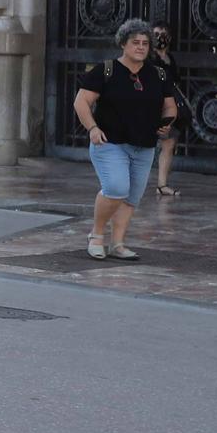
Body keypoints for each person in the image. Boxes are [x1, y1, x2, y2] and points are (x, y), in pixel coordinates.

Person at [73, 19, 178, 260]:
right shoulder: (106, 70)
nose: (140, 47)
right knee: (116, 188)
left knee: (131, 198)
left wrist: (166, 123)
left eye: (145, 43)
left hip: (144, 145)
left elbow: (170, 106)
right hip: (109, 143)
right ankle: (96, 235)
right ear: (123, 43)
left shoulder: (159, 74)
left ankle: (118, 244)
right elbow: (81, 102)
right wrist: (92, 128)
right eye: (135, 42)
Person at [148, 21, 186, 198]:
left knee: (169, 144)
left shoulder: (170, 58)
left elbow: (176, 81)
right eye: (156, 33)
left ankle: (162, 185)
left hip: (168, 107)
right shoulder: (148, 57)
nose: (160, 37)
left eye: (163, 33)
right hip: (151, 106)